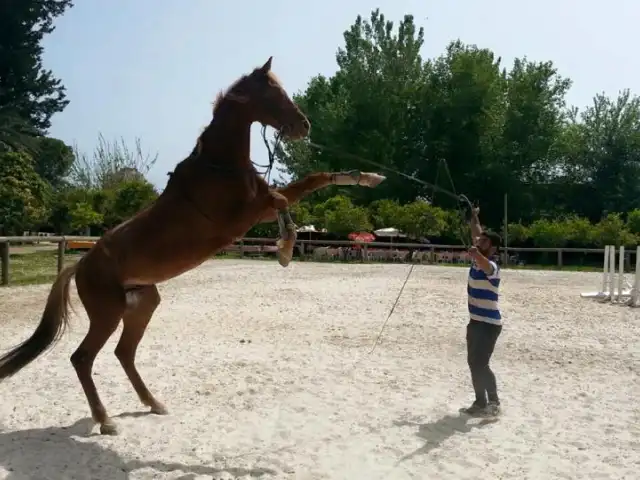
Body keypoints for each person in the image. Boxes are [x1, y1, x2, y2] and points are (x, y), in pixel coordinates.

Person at [460, 206, 503, 417]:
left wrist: (477, 255)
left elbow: (485, 265)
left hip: (490, 324)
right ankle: (479, 402)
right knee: (472, 362)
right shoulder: (478, 255)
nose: (479, 241)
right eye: (480, 240)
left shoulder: (492, 266)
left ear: (492, 248)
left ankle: (494, 402)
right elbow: (476, 230)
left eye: (485, 241)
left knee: (481, 363)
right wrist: (474, 214)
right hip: (475, 321)